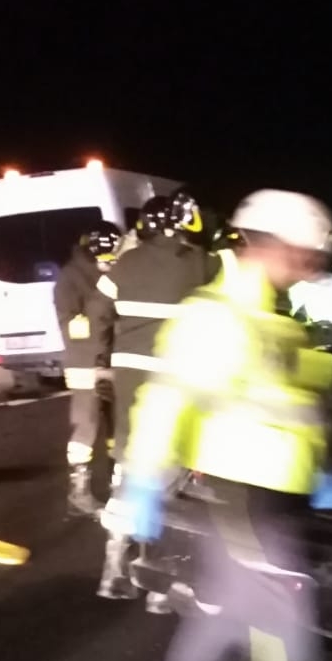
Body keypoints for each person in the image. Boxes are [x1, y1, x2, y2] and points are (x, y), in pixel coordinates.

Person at [119, 188, 332, 661]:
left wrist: (314, 478)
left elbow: (286, 407)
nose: (313, 268)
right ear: (275, 246)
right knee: (287, 625)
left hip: (274, 492)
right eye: (309, 256)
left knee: (224, 618)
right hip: (244, 495)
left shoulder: (273, 320)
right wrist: (142, 481)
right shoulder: (216, 316)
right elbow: (167, 400)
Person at [95, 190, 220, 600]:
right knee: (170, 474)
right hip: (177, 381)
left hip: (130, 379)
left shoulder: (126, 263)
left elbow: (97, 311)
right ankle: (158, 589)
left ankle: (113, 571)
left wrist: (102, 359)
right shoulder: (201, 263)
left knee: (129, 465)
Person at [53, 221, 122, 516]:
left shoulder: (108, 272)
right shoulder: (71, 278)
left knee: (117, 427)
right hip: (85, 363)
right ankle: (78, 493)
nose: (112, 262)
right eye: (109, 257)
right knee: (87, 426)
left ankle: (117, 485)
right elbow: (74, 326)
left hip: (112, 361)